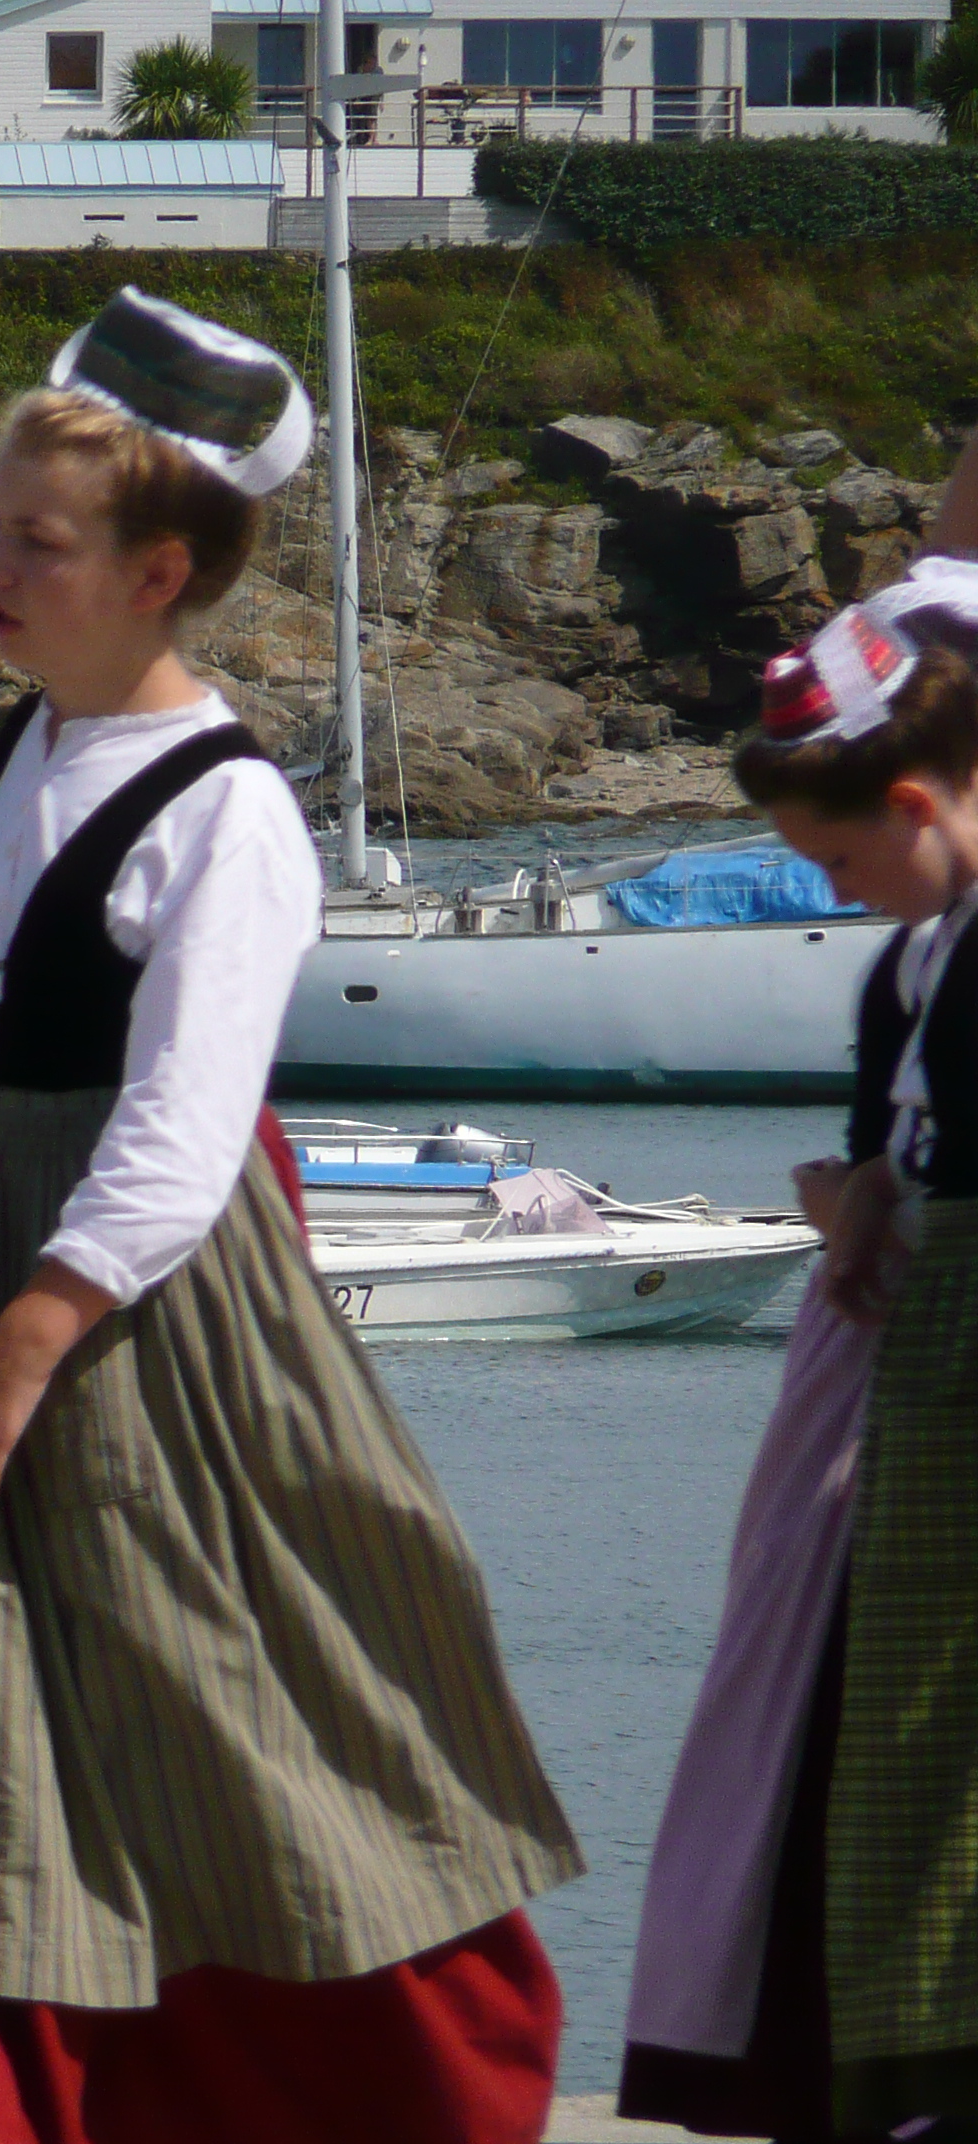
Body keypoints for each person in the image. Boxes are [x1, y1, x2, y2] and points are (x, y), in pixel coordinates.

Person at [0, 287, 584, 2144]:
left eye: (38, 545)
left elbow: (180, 1127)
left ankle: (373, 2089)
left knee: (224, 1696)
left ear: (162, 572)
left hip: (131, 1312)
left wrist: (21, 1345)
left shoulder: (228, 811)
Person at [619, 553, 978, 2144]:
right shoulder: (918, 965)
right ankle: (884, 2068)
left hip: (950, 1385)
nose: (828, 893)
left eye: (835, 856)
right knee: (869, 1736)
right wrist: (869, 1197)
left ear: (916, 805)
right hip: (900, 1401)